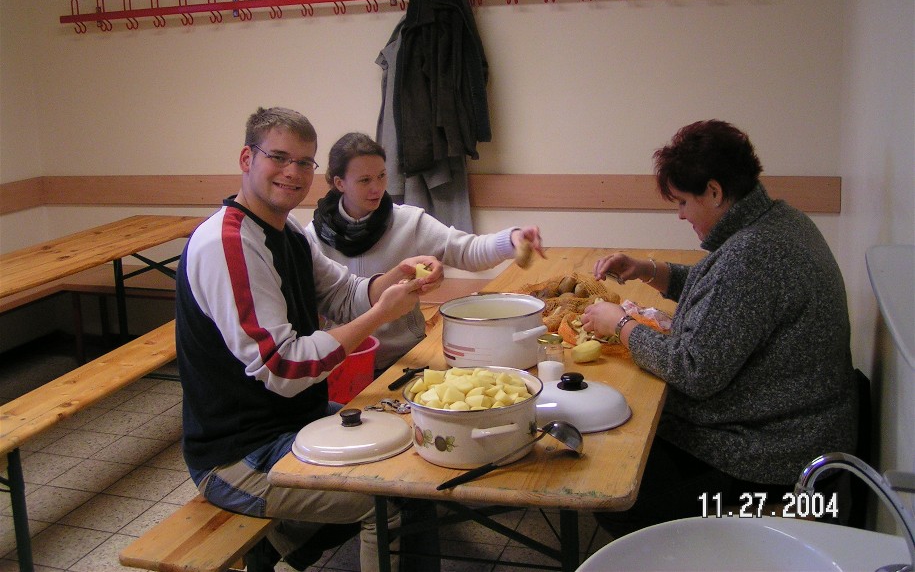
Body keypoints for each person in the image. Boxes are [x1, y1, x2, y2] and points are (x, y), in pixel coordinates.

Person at [175, 107, 444, 571]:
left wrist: (393, 281)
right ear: (246, 158)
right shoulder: (228, 243)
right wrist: (381, 314)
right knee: (394, 501)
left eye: (304, 162)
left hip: (297, 422)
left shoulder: (288, 232)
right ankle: (279, 537)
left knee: (414, 450)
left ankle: (278, 543)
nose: (292, 172)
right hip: (239, 456)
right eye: (278, 157)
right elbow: (285, 367)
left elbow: (344, 294)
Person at [580, 119, 857, 535]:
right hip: (802, 431)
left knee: (620, 492)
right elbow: (726, 294)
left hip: (775, 462)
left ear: (713, 191)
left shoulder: (753, 252)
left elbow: (694, 371)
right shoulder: (779, 220)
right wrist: (647, 269)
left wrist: (620, 325)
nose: (679, 215)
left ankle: (697, 546)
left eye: (682, 203)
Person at [306, 131, 546, 372]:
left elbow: (466, 251)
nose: (377, 188)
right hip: (343, 363)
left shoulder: (409, 222)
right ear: (340, 183)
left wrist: (512, 239)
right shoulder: (312, 237)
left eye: (381, 176)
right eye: (365, 180)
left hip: (404, 358)